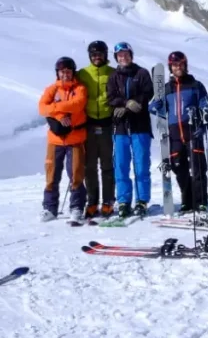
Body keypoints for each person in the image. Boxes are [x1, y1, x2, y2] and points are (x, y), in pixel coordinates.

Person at [148, 51, 208, 214]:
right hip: (175, 133)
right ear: (171, 67)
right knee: (179, 169)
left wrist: (203, 122)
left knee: (198, 168)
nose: (178, 68)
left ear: (185, 65)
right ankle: (187, 201)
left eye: (181, 64)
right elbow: (155, 105)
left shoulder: (195, 85)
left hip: (192, 130)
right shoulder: (167, 88)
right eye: (175, 65)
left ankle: (201, 201)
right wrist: (155, 107)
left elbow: (205, 104)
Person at [106, 42, 154, 217]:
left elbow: (148, 92)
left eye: (126, 54)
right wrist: (125, 104)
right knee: (121, 165)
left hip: (139, 126)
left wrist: (136, 102)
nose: (123, 57)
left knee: (141, 165)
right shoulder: (113, 76)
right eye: (120, 55)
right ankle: (124, 201)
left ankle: (142, 201)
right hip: (120, 127)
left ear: (131, 56)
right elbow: (110, 97)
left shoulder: (141, 73)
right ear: (116, 58)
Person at [38, 56, 88, 222]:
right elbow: (42, 107)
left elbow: (77, 104)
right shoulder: (52, 89)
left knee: (76, 174)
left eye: (68, 71)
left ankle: (77, 207)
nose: (65, 74)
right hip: (55, 140)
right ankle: (49, 208)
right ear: (57, 73)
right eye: (62, 71)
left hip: (75, 139)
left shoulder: (80, 88)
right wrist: (59, 116)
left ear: (73, 72)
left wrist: (54, 109)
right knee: (52, 175)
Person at [76, 40, 115, 218]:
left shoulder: (113, 73)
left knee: (107, 165)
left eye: (100, 54)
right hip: (89, 124)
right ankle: (92, 202)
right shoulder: (82, 74)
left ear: (105, 55)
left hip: (107, 123)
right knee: (89, 166)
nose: (97, 57)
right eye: (94, 55)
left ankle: (108, 201)